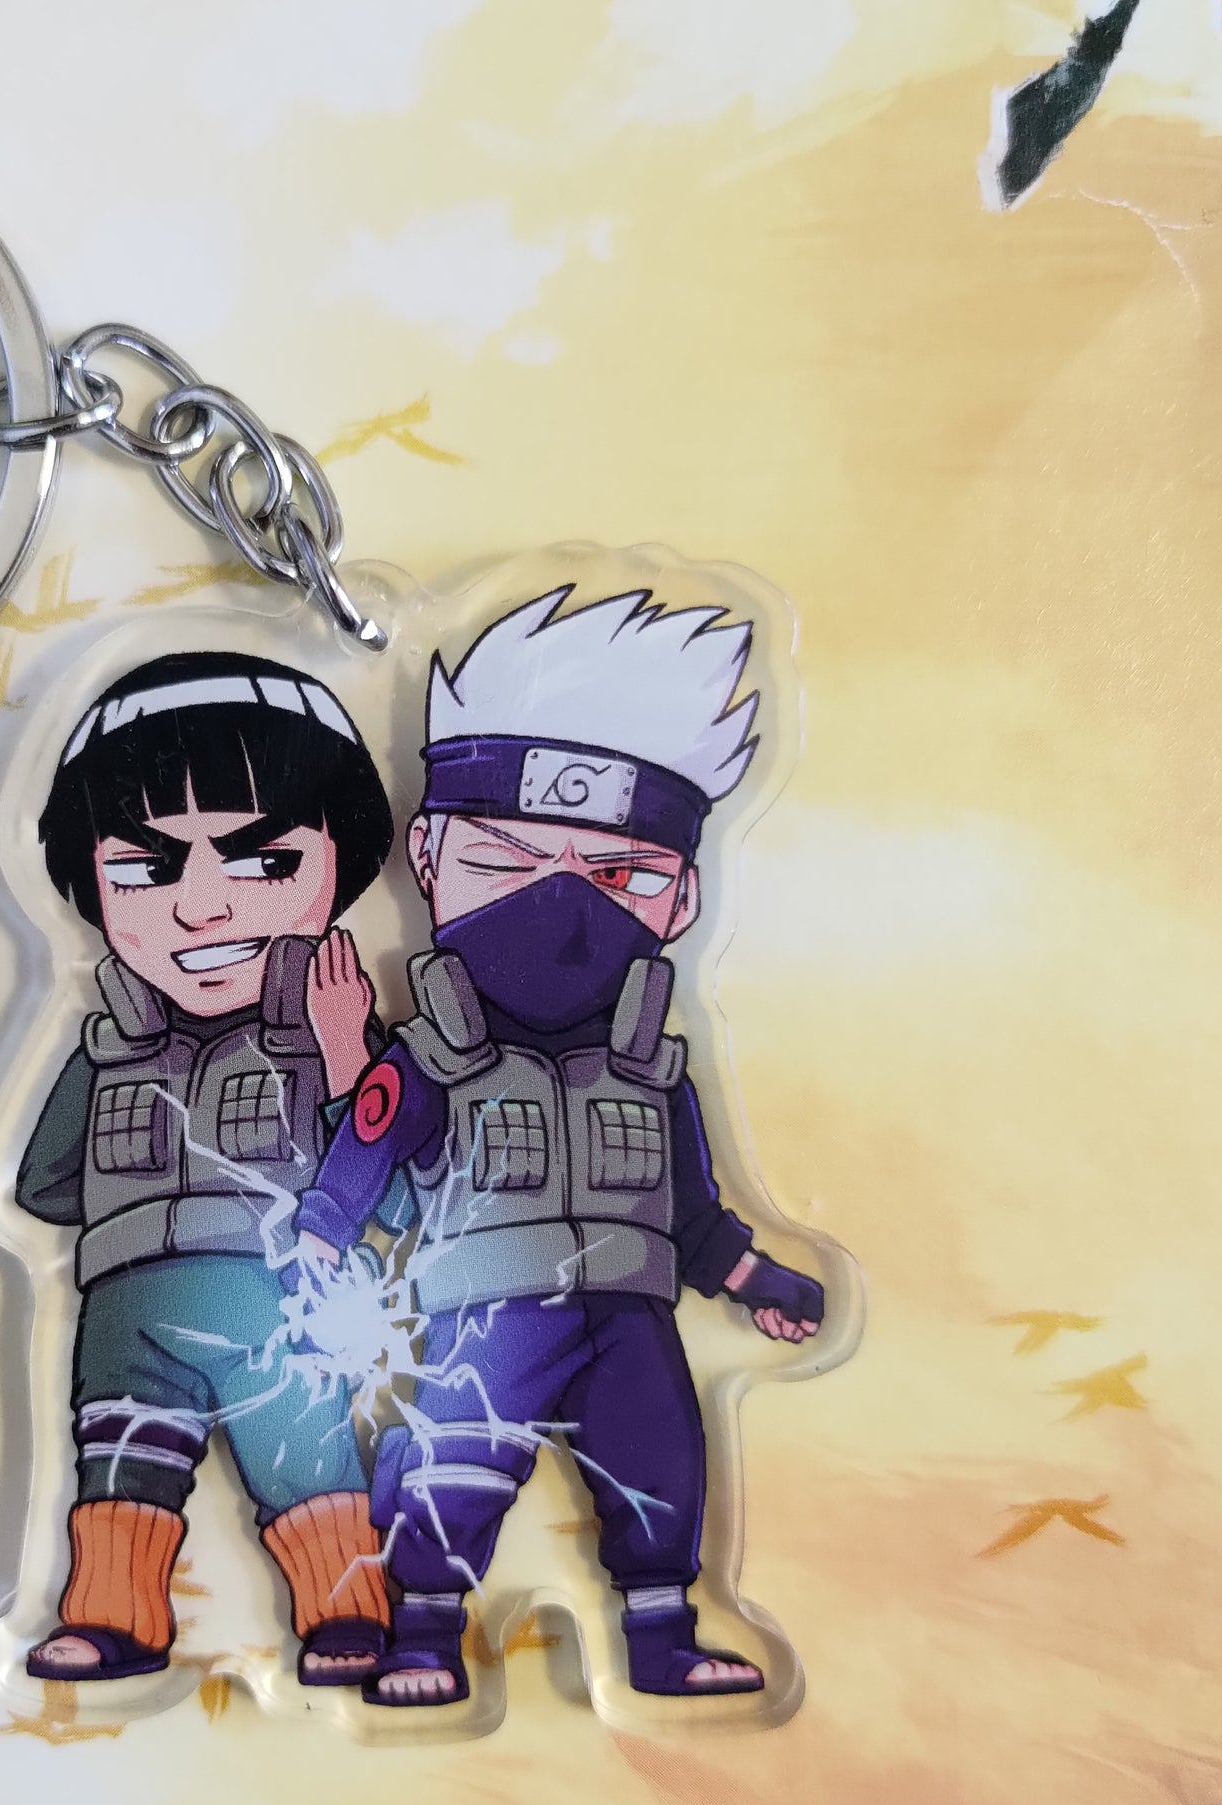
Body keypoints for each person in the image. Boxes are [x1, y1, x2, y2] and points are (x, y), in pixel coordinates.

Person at [295, 588, 825, 1708]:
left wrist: (756, 1278)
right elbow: (360, 1161)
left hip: (629, 1315)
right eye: (507, 861)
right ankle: (423, 1634)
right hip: (483, 1309)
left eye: (619, 875)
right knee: (448, 1462)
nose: (561, 906)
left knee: (659, 1461)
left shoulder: (650, 1067)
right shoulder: (434, 1053)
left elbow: (691, 1215)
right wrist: (318, 1243)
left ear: (681, 899)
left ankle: (662, 1635)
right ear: (427, 854)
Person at [16, 651, 398, 1685]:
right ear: (89, 878)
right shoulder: (108, 1048)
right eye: (145, 870)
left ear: (341, 862)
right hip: (126, 1311)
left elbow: (397, 1184)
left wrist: (347, 1055)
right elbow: (42, 1186)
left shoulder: (327, 1036)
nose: (201, 908)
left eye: (263, 863)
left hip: (279, 1294)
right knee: (120, 1467)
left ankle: (346, 1613)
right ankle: (111, 1619)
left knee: (304, 1455)